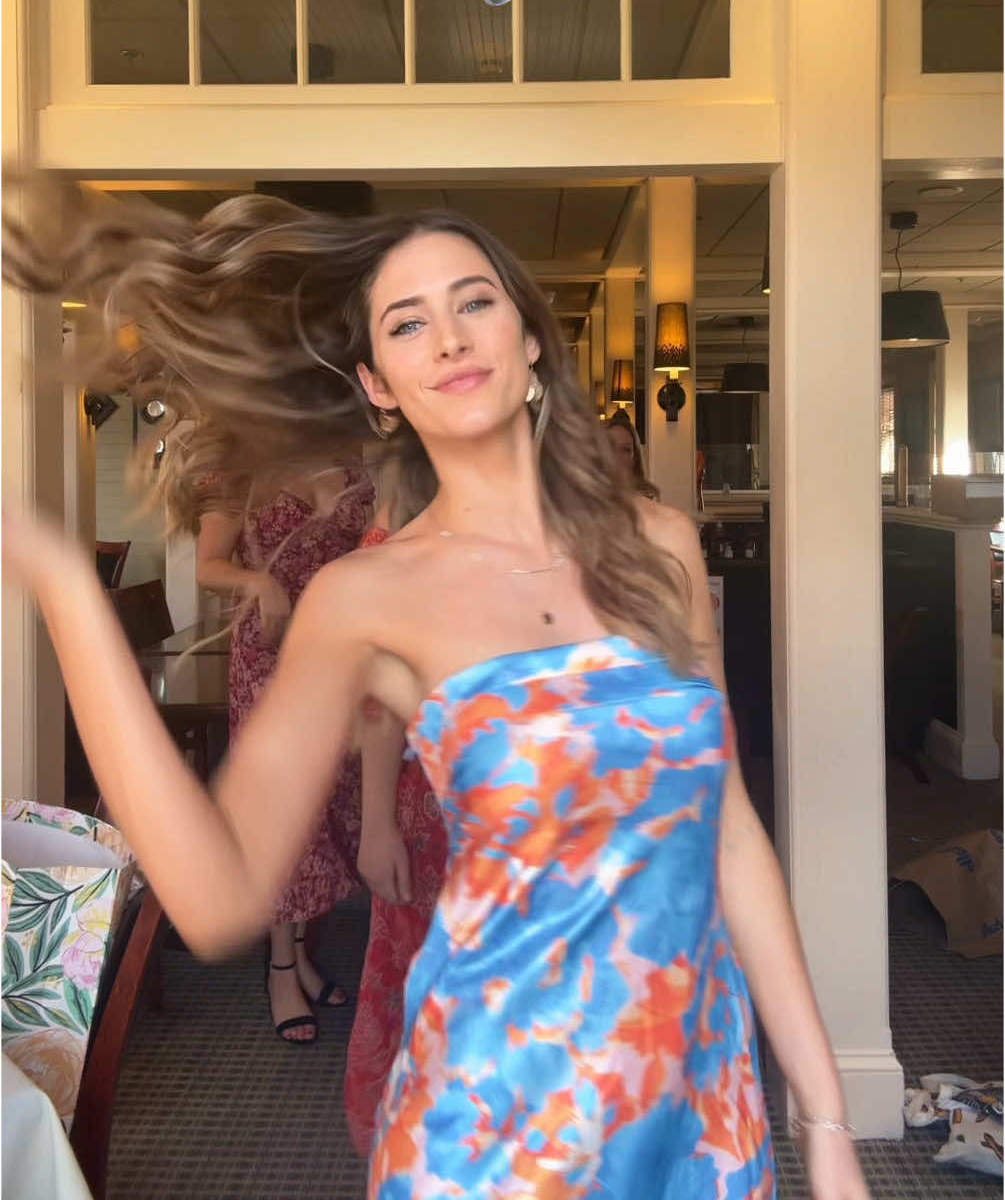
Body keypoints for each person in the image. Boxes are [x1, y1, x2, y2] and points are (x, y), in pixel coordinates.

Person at [3, 179, 870, 1200]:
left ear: (531, 339)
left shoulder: (661, 546)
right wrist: (61, 582)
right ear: (378, 385)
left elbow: (728, 832)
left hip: (697, 1101)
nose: (450, 337)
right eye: (408, 323)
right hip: (495, 1122)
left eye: (475, 301)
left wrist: (824, 1119)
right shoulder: (367, 594)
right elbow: (216, 896)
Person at [196, 460, 373, 1044]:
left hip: (338, 652)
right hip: (268, 653)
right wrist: (260, 583)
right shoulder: (240, 466)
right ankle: (279, 968)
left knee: (327, 807)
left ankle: (297, 957)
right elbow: (208, 565)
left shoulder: (355, 462)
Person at [347, 505, 449, 1156]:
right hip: (433, 808)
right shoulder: (397, 535)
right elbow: (378, 701)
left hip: (546, 814)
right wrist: (376, 820)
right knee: (423, 987)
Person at [604, 407, 660, 501]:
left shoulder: (646, 499)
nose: (618, 456)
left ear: (634, 458)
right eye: (611, 447)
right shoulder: (583, 500)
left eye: (626, 449)